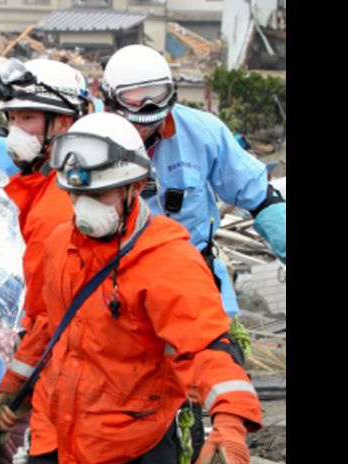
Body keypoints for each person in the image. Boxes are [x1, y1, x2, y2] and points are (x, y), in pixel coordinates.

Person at [0, 112, 262, 464]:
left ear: (135, 188)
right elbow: (47, 327)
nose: (85, 207)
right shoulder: (59, 245)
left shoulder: (167, 259)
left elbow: (208, 347)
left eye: (98, 194)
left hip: (132, 448)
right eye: (77, 195)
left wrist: (229, 424)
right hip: (56, 440)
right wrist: (14, 385)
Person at [100, 44, 286, 317]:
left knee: (221, 353)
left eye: (154, 96)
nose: (145, 127)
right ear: (110, 103)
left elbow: (260, 197)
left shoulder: (202, 132)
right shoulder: (88, 142)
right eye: (135, 99)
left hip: (197, 278)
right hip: (119, 284)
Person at [0, 57, 90, 333]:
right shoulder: (31, 185)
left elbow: (41, 304)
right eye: (12, 118)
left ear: (64, 123)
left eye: (27, 118)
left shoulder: (61, 201)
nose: (15, 129)